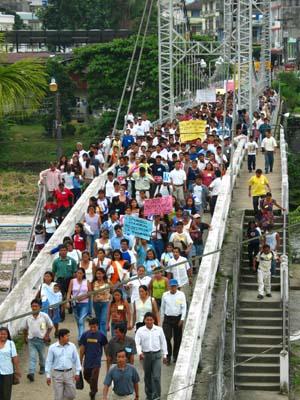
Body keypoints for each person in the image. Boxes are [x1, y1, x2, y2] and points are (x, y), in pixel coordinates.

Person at [135, 312, 168, 400]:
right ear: (144, 320)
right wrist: (140, 353)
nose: (149, 322)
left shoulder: (159, 330)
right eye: (147, 320)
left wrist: (165, 355)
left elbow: (163, 342)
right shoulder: (140, 330)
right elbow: (137, 343)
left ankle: (157, 396)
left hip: (157, 355)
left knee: (156, 377)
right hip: (145, 356)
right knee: (147, 377)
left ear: (154, 320)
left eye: (151, 320)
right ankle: (149, 396)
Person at [45, 329, 81, 400]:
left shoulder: (72, 346)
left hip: (69, 373)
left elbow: (77, 359)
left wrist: (77, 372)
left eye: (68, 336)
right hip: (57, 374)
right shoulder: (52, 348)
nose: (68, 337)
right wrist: (48, 376)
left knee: (71, 395)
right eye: (67, 336)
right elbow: (49, 362)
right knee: (58, 396)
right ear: (61, 337)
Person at [23, 299, 53, 382]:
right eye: (32, 306)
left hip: (41, 340)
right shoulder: (28, 317)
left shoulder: (44, 316)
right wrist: (25, 337)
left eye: (36, 306)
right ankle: (31, 373)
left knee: (42, 356)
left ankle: (42, 367)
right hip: (31, 340)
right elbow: (25, 328)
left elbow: (50, 326)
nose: (34, 308)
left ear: (40, 307)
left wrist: (47, 335)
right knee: (32, 357)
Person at [79, 318, 108, 400]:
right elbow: (82, 349)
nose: (93, 329)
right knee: (86, 376)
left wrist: (108, 358)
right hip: (87, 360)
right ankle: (94, 388)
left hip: (96, 361)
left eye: (94, 327)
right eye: (91, 327)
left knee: (94, 378)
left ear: (97, 326)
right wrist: (80, 360)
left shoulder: (102, 335)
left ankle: (93, 392)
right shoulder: (85, 335)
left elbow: (106, 347)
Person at [161, 279, 187, 364]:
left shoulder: (181, 295)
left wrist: (182, 319)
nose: (173, 288)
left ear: (177, 286)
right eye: (171, 286)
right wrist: (162, 318)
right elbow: (163, 307)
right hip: (167, 318)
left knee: (177, 338)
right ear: (169, 286)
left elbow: (184, 307)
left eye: (174, 286)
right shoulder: (165, 295)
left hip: (177, 318)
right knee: (166, 337)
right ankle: (168, 356)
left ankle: (176, 356)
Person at [67, 268, 91, 340]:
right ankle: (81, 334)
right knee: (78, 321)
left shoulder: (87, 281)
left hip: (84, 303)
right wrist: (68, 301)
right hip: (75, 303)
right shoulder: (72, 281)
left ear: (83, 274)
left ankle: (80, 338)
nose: (79, 274)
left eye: (80, 273)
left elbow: (90, 293)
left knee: (81, 320)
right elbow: (69, 292)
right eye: (77, 273)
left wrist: (83, 298)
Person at [0, 327, 21, 400]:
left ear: (7, 335)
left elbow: (15, 357)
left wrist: (17, 370)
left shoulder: (11, 343)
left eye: (5, 334)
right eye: (1, 334)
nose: (3, 336)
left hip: (8, 372)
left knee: (6, 394)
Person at [92, 268, 111, 336]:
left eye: (100, 273)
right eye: (97, 274)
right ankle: (99, 335)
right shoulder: (94, 282)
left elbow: (113, 289)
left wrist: (109, 296)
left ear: (103, 274)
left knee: (103, 320)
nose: (98, 275)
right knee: (98, 320)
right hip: (96, 303)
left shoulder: (108, 281)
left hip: (105, 303)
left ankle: (103, 337)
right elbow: (91, 292)